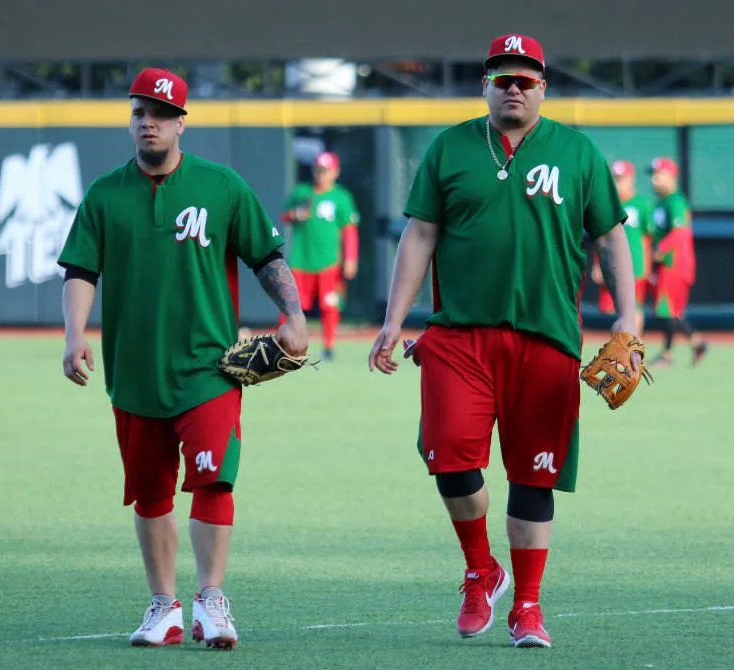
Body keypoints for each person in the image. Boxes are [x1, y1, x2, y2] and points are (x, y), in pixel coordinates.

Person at [368, 33, 641, 649]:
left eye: (525, 79)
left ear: (544, 86)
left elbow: (611, 239)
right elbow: (419, 235)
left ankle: (527, 605)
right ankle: (479, 570)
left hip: (545, 338)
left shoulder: (576, 152)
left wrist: (628, 315)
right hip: (459, 335)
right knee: (448, 457)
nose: (513, 87)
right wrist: (394, 320)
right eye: (502, 78)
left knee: (533, 477)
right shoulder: (450, 147)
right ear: (485, 85)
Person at [57, 67, 308, 651]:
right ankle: (164, 605)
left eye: (162, 114)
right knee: (150, 493)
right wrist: (74, 334)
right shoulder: (104, 193)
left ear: (181, 124)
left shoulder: (220, 186)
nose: (149, 122)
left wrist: (294, 316)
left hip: (210, 368)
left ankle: (211, 601)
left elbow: (266, 256)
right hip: (134, 371)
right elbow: (80, 271)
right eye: (140, 112)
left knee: (213, 480)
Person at [279, 151, 360, 360]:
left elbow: (349, 230)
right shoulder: (302, 192)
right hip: (301, 259)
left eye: (326, 171)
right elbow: (285, 215)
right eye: (318, 171)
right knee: (293, 305)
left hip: (329, 261)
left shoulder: (341, 197)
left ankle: (328, 347)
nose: (321, 175)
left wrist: (350, 259)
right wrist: (296, 214)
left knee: (329, 304)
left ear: (335, 172)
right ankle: (284, 346)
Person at [648, 157, 708, 366]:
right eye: (653, 176)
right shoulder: (659, 203)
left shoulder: (676, 201)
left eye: (658, 175)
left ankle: (670, 352)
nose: (654, 180)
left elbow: (681, 233)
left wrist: (660, 251)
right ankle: (694, 343)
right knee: (668, 312)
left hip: (675, 264)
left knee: (666, 311)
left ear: (671, 177)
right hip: (663, 265)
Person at [591, 159, 655, 335]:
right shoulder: (608, 203)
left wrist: (647, 266)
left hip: (636, 263)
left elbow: (647, 239)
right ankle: (618, 347)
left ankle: (633, 346)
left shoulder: (642, 204)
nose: (618, 183)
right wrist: (597, 265)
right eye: (615, 179)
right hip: (612, 262)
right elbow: (600, 236)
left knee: (635, 306)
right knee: (612, 307)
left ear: (631, 179)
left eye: (621, 179)